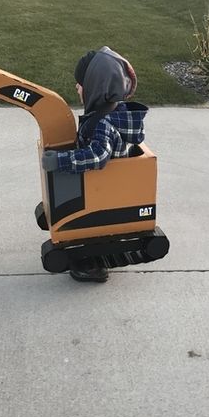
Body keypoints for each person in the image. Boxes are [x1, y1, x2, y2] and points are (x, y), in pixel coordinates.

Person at [42, 46, 148, 283]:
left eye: (80, 84)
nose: (77, 88)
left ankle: (90, 262)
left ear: (95, 86)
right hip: (109, 189)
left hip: (102, 193)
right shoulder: (113, 114)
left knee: (89, 225)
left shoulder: (102, 123)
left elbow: (98, 156)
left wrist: (62, 160)